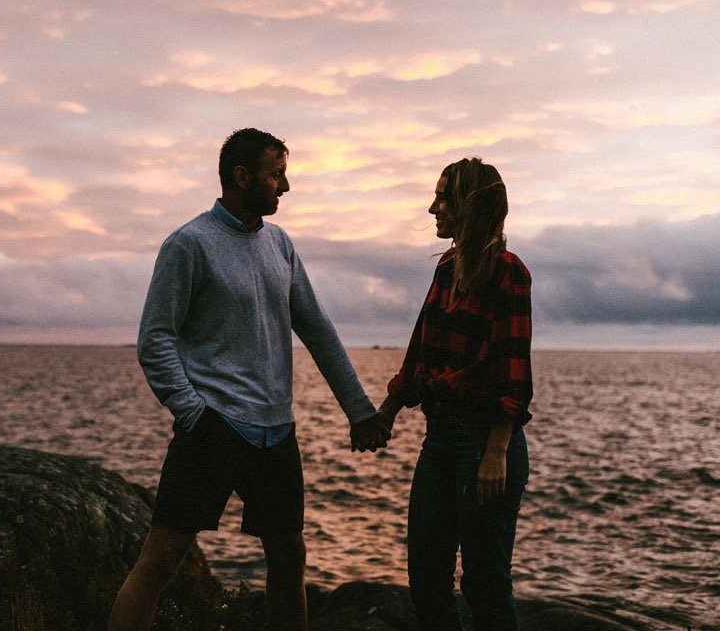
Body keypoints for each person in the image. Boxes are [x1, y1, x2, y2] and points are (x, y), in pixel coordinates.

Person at [108, 128, 391, 631]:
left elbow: (318, 330)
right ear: (242, 177)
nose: (285, 186)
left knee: (288, 560)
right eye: (276, 174)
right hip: (213, 429)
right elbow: (155, 338)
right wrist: (193, 411)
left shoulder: (279, 244)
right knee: (161, 560)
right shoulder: (188, 244)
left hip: (276, 432)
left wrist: (360, 410)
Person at [374, 157, 533, 631]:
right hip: (440, 440)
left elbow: (512, 365)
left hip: (484, 442)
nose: (432, 208)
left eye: (443, 198)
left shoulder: (509, 272)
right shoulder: (447, 269)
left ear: (469, 205)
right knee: (426, 579)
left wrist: (496, 452)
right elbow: (421, 346)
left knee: (484, 583)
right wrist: (388, 409)